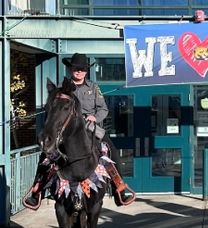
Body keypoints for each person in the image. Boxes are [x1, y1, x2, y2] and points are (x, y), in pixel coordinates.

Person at [23, 53, 135, 209]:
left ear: (86, 71)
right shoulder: (63, 89)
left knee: (111, 150)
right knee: (46, 154)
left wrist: (95, 117)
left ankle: (119, 189)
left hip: (90, 127)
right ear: (71, 69)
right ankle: (36, 192)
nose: (79, 71)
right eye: (76, 68)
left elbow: (103, 109)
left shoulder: (94, 88)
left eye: (82, 69)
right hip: (67, 131)